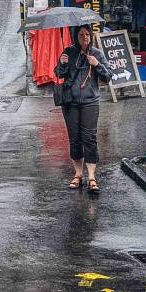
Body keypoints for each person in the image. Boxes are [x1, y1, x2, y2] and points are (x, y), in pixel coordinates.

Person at [55, 25, 111, 194]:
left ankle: (92, 176)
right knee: (75, 138)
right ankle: (78, 174)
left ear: (91, 36)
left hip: (90, 102)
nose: (84, 37)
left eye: (87, 34)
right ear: (76, 37)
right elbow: (58, 73)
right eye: (81, 35)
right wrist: (63, 64)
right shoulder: (69, 52)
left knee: (89, 137)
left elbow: (107, 76)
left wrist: (97, 64)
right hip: (70, 102)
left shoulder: (97, 54)